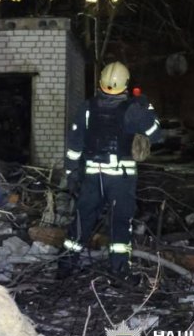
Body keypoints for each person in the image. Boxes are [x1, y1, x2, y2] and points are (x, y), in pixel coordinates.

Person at [58, 61, 161, 284]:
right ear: (126, 84)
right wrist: (147, 106)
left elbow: (74, 144)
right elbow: (156, 134)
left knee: (82, 219)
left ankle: (65, 265)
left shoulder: (87, 108)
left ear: (101, 82)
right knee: (120, 223)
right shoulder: (133, 110)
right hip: (120, 179)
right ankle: (119, 271)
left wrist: (71, 173)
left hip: (92, 178)